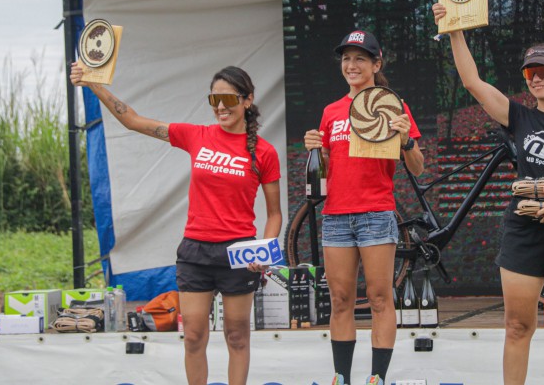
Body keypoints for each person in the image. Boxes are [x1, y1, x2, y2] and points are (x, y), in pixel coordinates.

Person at [432, 4, 544, 385]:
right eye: (531, 72)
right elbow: (472, 81)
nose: (536, 78)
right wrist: (454, 30)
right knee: (517, 326)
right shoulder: (519, 116)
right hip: (524, 226)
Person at [70, 63, 282, 385]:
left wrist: (263, 252)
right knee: (194, 337)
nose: (221, 107)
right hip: (195, 252)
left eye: (229, 99)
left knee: (237, 337)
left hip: (239, 254)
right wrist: (93, 84)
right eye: (214, 100)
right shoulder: (196, 135)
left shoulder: (264, 153)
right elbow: (133, 120)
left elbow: (275, 213)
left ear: (248, 100)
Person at [303, 30, 425, 385]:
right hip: (336, 215)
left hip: (375, 213)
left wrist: (406, 139)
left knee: (378, 297)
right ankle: (341, 377)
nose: (351, 65)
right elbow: (323, 171)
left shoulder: (393, 105)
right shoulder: (331, 111)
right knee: (340, 299)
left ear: (376, 64)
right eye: (346, 59)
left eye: (360, 58)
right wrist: (316, 149)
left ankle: (378, 378)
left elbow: (417, 167)